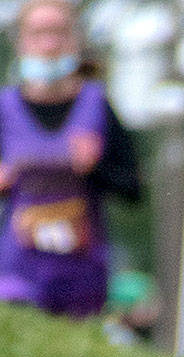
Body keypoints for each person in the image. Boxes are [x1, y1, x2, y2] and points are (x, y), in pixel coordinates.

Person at [0, 0, 141, 319]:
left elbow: (133, 190)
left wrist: (94, 169)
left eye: (59, 33)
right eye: (39, 33)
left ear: (75, 41)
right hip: (17, 275)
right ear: (22, 42)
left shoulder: (98, 107)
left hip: (82, 278)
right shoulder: (5, 109)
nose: (49, 44)